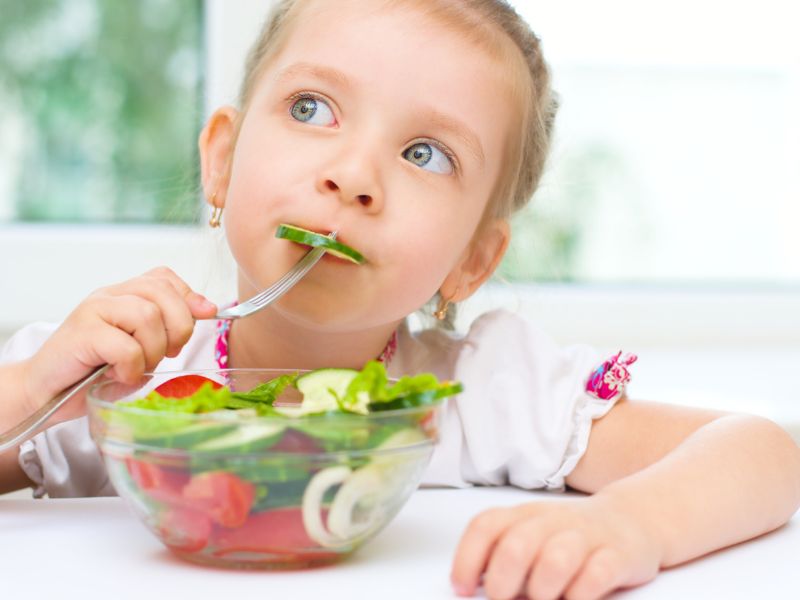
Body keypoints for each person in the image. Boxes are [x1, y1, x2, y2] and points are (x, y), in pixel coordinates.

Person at [1, 0, 799, 598]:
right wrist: (35, 387)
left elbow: (763, 453)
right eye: (312, 109)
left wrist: (632, 525)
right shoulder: (116, 379)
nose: (353, 175)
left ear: (472, 262)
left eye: (426, 153)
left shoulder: (483, 389)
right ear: (222, 161)